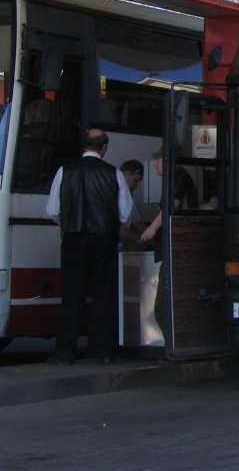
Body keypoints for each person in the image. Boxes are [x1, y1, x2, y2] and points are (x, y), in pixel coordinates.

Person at [45, 129, 134, 365]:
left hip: (74, 238)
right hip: (104, 239)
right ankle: (104, 351)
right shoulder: (114, 173)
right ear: (104, 148)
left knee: (71, 295)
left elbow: (53, 210)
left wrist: (71, 222)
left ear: (84, 146)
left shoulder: (65, 171)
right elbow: (125, 215)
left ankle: (65, 352)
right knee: (103, 295)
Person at [139, 149, 197, 338]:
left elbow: (173, 204)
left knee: (164, 307)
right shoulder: (176, 177)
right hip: (177, 248)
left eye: (157, 160)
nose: (155, 164)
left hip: (177, 248)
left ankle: (174, 345)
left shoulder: (177, 176)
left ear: (166, 161)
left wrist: (152, 229)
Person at [119, 159, 148, 247]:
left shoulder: (129, 196)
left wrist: (152, 235)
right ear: (125, 175)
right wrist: (140, 239)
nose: (138, 185)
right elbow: (119, 229)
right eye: (136, 180)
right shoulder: (113, 195)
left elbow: (136, 222)